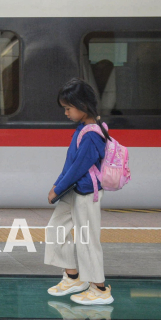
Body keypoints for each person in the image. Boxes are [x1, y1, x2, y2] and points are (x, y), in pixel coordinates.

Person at [45, 78, 113, 305]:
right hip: (72, 191)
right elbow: (71, 163)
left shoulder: (93, 133)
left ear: (83, 106)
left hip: (85, 193)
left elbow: (78, 167)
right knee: (55, 229)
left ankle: (99, 289)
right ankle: (74, 277)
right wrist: (58, 185)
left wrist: (58, 188)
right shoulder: (84, 128)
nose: (66, 113)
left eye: (68, 108)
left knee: (86, 240)